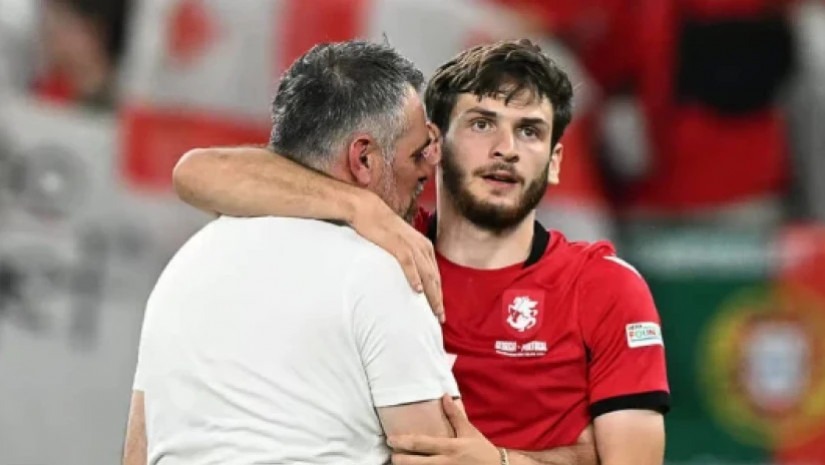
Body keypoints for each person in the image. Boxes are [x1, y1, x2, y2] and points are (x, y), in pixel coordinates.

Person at [172, 39, 669, 465]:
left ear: (555, 161)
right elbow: (196, 173)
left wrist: (498, 462)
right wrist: (355, 205)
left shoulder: (605, 286)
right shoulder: (376, 244)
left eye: (530, 131)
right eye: (482, 124)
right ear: (434, 144)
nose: (507, 148)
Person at [122, 40, 461, 465]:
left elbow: (137, 452)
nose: (428, 167)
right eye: (416, 153)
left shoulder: (185, 266)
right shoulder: (384, 273)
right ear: (363, 159)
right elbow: (438, 459)